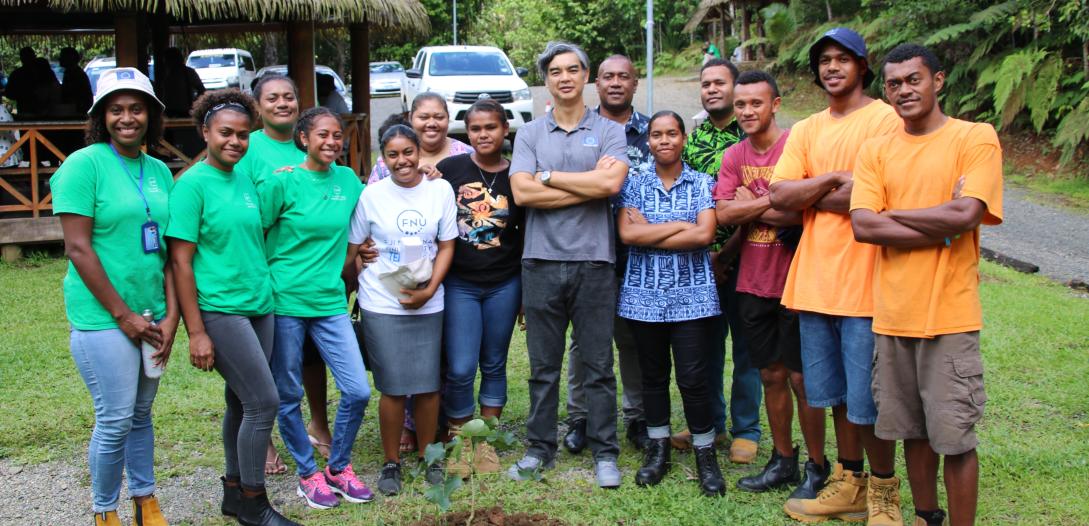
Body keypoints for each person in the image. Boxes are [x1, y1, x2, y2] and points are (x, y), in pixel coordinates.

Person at [851, 43, 1002, 526]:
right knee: (911, 432)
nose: (902, 91)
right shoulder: (877, 148)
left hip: (948, 317)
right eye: (893, 83)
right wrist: (942, 222)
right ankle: (925, 517)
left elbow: (968, 211)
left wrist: (892, 213)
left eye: (912, 80)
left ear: (937, 80)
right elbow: (863, 226)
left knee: (954, 438)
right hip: (892, 316)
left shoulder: (974, 137)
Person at [767, 27, 903, 524]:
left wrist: (813, 191)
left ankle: (885, 493)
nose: (832, 67)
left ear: (863, 66)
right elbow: (779, 196)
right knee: (834, 396)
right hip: (815, 282)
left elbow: (884, 192)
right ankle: (849, 482)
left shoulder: (886, 120)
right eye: (824, 60)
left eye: (843, 59)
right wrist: (835, 180)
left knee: (870, 399)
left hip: (867, 283)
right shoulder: (806, 129)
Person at [167, 89, 299, 526]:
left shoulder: (243, 177)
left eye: (243, 135)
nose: (235, 142)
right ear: (205, 132)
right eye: (226, 133)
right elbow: (180, 262)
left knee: (240, 403)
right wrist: (197, 331)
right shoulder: (190, 186)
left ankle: (232, 491)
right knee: (264, 401)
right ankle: (253, 503)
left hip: (259, 304)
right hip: (220, 309)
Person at [51, 67, 174, 526]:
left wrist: (168, 318)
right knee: (116, 417)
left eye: (136, 108)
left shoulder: (159, 169)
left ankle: (145, 501)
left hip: (152, 313)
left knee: (142, 414)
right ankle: (105, 512)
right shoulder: (84, 165)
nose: (127, 118)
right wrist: (124, 317)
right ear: (102, 116)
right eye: (116, 109)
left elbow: (167, 250)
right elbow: (78, 248)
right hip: (104, 318)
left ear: (151, 115)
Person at [507, 41, 629, 489]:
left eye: (573, 69)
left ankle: (605, 452)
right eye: (555, 71)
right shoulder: (530, 134)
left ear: (587, 76)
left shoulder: (610, 130)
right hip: (540, 261)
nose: (564, 77)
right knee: (543, 366)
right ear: (546, 81)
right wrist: (587, 185)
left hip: (595, 262)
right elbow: (521, 193)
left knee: (598, 366)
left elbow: (611, 182)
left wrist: (548, 177)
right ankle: (539, 448)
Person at [714, 70, 828, 500]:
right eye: (740, 104)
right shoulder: (733, 157)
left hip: (798, 280)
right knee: (771, 374)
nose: (746, 111)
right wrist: (776, 202)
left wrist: (754, 204)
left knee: (803, 379)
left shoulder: (798, 147)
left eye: (756, 103)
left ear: (775, 104)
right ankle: (783, 459)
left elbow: (809, 212)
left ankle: (817, 467)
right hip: (752, 280)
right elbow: (724, 216)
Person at [258, 107, 372, 509]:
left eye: (337, 135)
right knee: (287, 393)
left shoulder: (347, 181)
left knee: (357, 390)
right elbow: (256, 232)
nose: (331, 142)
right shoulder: (282, 183)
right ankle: (307, 474)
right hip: (285, 301)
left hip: (330, 302)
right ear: (303, 139)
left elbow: (379, 204)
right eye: (322, 134)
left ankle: (338, 467)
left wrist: (430, 173)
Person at [617, 111, 726, 497]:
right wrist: (683, 226)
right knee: (653, 377)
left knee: (694, 380)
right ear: (648, 141)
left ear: (682, 138)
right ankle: (658, 448)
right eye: (657, 134)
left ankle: (704, 452)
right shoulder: (633, 184)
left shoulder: (700, 182)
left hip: (692, 297)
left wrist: (653, 232)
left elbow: (705, 236)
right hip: (643, 298)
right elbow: (628, 234)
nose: (664, 140)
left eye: (672, 134)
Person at [348, 124, 457, 496]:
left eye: (408, 152)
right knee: (392, 387)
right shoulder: (371, 195)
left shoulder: (439, 190)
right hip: (382, 300)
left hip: (429, 300)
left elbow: (446, 245)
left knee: (427, 384)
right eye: (393, 154)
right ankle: (391, 461)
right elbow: (355, 246)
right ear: (384, 157)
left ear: (419, 152)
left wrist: (431, 290)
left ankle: (429, 456)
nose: (402, 161)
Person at [234, 74, 335, 474]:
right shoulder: (246, 145)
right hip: (259, 268)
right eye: (272, 98)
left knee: (311, 356)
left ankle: (319, 423)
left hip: (312, 274)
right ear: (257, 106)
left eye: (289, 97)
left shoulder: (315, 141)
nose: (282, 104)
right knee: (260, 358)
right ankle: (264, 437)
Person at [675, 57, 763, 467]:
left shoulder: (751, 139)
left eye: (719, 83)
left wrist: (726, 255)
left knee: (747, 348)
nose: (711, 89)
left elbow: (757, 207)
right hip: (701, 262)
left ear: (736, 88)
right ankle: (708, 422)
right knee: (704, 348)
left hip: (748, 258)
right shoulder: (692, 141)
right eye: (705, 83)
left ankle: (747, 430)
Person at [564, 53, 650, 454]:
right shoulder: (582, 128)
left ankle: (637, 417)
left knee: (632, 339)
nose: (615, 83)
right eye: (607, 77)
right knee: (584, 342)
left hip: (640, 257)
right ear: (596, 83)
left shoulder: (654, 132)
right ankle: (579, 417)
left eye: (624, 77)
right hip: (587, 249)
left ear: (635, 83)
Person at [436, 99, 523, 468]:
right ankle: (459, 439)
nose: (483, 134)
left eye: (491, 127)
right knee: (459, 366)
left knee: (494, 362)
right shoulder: (450, 168)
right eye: (476, 128)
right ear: (467, 133)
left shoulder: (519, 173)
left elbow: (527, 230)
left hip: (505, 282)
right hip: (460, 283)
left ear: (505, 129)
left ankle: (484, 440)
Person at [367, 92, 472, 184]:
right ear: (410, 118)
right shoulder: (390, 159)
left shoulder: (467, 155)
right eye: (423, 117)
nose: (431, 123)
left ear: (448, 118)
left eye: (439, 117)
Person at [57, 47, 93, 116]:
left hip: (76, 112)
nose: (59, 59)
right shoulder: (70, 72)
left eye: (62, 56)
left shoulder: (76, 74)